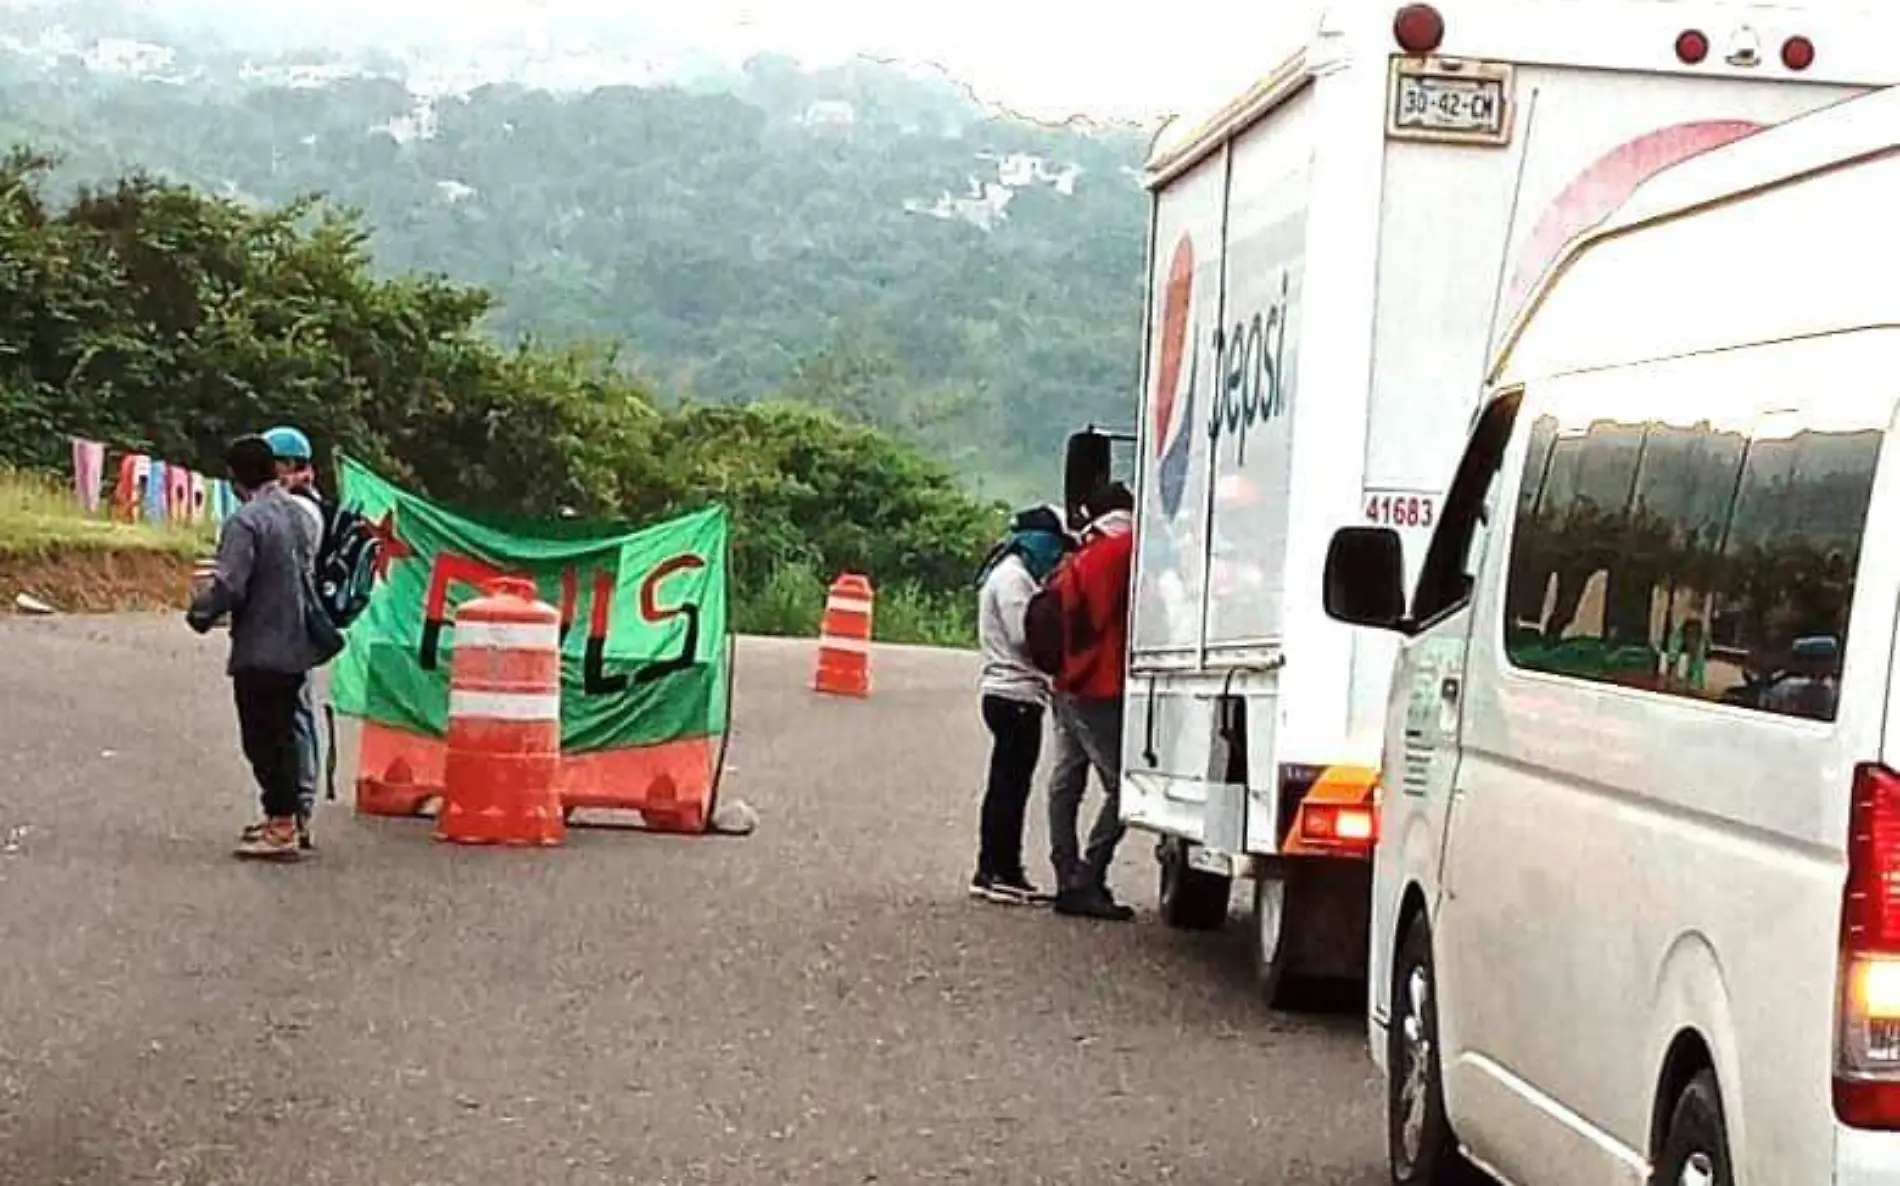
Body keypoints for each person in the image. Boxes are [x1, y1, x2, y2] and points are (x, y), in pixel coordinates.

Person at [187, 434, 328, 860]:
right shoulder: (299, 514)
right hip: (296, 642)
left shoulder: (246, 522)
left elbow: (230, 584)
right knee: (286, 732)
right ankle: (285, 816)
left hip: (260, 646)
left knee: (263, 739)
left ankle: (281, 824)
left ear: (234, 478)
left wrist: (200, 611)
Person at [969, 504, 1073, 905]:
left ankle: (994, 868)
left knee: (1006, 785)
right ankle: (1000, 871)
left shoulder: (1008, 573)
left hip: (1008, 694)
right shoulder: (1014, 579)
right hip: (1016, 696)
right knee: (1010, 789)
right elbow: (1023, 636)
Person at [1046, 480, 1137, 921]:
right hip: (1099, 686)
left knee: (1066, 780)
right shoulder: (1126, 550)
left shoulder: (1079, 556)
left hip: (1064, 685)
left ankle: (1065, 871)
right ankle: (1090, 876)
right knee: (1124, 789)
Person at [261, 424, 325, 850]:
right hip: (292, 622)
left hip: (292, 624)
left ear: (287, 466)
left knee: (294, 716)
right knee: (293, 713)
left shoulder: (300, 510)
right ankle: (293, 808)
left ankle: (297, 807)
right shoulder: (299, 505)